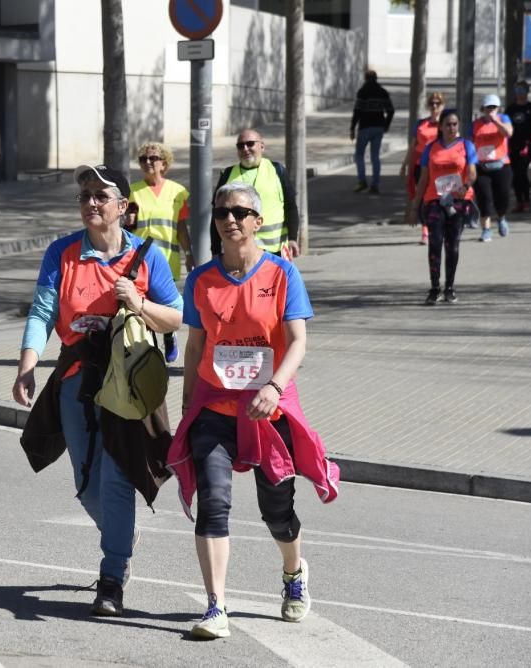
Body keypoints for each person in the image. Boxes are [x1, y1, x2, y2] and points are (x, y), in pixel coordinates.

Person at [166, 182, 339, 640]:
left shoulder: (282, 275)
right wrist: (187, 400)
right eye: (222, 212)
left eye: (241, 211)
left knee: (276, 512)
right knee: (214, 502)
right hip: (215, 406)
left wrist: (276, 387)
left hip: (268, 410)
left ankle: (293, 570)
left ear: (257, 221)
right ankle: (216, 607)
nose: (231, 219)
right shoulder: (201, 279)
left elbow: (299, 341)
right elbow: (196, 344)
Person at [13, 164, 182, 617]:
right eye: (84, 194)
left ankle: (112, 578)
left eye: (100, 196)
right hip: (76, 379)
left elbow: (175, 317)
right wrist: (27, 365)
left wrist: (139, 302)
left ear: (123, 208)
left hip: (127, 382)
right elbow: (43, 311)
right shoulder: (63, 253)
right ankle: (122, 536)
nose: (90, 202)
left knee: (117, 476)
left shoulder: (149, 258)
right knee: (86, 484)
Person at [125, 142, 191, 363]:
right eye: (143, 159)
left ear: (164, 163)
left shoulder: (178, 192)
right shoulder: (132, 191)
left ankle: (170, 335)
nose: (148, 163)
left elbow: (181, 227)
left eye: (153, 158)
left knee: (164, 304)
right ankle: (144, 346)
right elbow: (128, 228)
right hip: (139, 260)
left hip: (168, 258)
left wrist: (189, 253)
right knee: (141, 303)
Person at [409, 109, 479, 305]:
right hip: (434, 200)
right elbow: (423, 179)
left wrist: (465, 187)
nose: (451, 128)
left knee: (452, 244)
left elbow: (472, 173)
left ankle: (449, 287)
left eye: (455, 124)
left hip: (458, 200)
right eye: (447, 124)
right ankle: (434, 288)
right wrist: (415, 206)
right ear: (440, 127)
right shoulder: (431, 149)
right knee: (435, 242)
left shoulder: (467, 146)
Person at [209, 128, 301, 259]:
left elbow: (290, 207)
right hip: (239, 251)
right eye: (240, 146)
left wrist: (292, 238)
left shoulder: (277, 170)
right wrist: (216, 251)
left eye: (250, 144)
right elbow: (217, 215)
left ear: (262, 146)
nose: (245, 149)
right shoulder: (228, 174)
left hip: (275, 251)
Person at [400, 91, 445, 244]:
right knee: (423, 197)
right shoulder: (420, 124)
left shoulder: (447, 124)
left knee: (440, 197)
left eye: (437, 103)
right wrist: (405, 164)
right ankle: (425, 230)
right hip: (421, 166)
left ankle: (440, 227)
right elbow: (413, 146)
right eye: (431, 103)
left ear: (442, 105)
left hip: (440, 167)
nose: (434, 106)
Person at [471, 94, 513, 242]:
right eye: (488, 107)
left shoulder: (504, 119)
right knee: (484, 198)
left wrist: (495, 121)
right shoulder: (475, 124)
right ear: (482, 109)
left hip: (501, 165)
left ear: (498, 108)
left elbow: (508, 133)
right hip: (481, 167)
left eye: (494, 107)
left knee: (502, 197)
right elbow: (469, 144)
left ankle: (501, 218)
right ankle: (486, 230)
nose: (491, 110)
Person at [350, 70, 394, 194]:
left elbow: (357, 111)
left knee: (359, 155)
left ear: (365, 78)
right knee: (375, 156)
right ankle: (375, 184)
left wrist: (352, 128)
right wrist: (386, 125)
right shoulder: (382, 92)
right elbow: (391, 110)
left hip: (364, 128)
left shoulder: (362, 92)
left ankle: (362, 181)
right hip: (378, 128)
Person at [504, 80, 531, 213]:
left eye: (522, 91)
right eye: (517, 91)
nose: (519, 94)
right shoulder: (510, 109)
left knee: (521, 172)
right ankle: (519, 201)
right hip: (512, 146)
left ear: (527, 91)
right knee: (515, 175)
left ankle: (526, 201)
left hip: (527, 146)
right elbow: (505, 128)